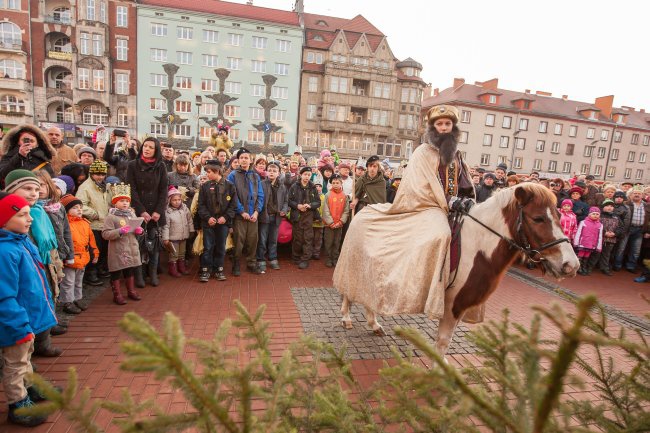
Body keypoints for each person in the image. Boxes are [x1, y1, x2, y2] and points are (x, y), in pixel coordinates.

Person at [334, 104, 477, 322]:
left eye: (448, 124)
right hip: (427, 206)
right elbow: (417, 188)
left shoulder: (457, 156)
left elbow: (465, 184)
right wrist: (449, 200)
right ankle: (422, 288)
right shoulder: (421, 153)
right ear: (432, 127)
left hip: (453, 208)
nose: (444, 128)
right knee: (441, 235)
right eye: (440, 124)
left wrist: (465, 200)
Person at [0, 192, 58, 427]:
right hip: (16, 323)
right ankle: (18, 403)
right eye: (22, 215)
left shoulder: (22, 242)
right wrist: (18, 325)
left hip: (27, 320)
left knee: (26, 359)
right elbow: (5, 296)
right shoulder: (5, 252)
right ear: (4, 220)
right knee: (15, 364)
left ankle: (30, 388)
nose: (30, 218)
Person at [126, 137, 169, 287]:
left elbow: (164, 189)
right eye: (145, 146)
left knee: (154, 244)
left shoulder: (161, 166)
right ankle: (139, 275)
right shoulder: (132, 165)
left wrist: (158, 210)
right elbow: (131, 189)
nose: (147, 149)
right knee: (138, 245)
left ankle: (152, 273)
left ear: (156, 150)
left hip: (155, 211)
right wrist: (141, 211)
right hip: (139, 211)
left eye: (151, 147)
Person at [102, 183, 143, 304]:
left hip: (130, 247)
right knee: (116, 271)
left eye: (127, 201)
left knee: (129, 269)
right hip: (118, 249)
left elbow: (134, 227)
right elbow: (105, 234)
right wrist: (119, 231)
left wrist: (138, 231)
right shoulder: (111, 217)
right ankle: (117, 294)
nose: (125, 203)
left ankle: (131, 291)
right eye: (121, 201)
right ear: (115, 203)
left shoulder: (131, 214)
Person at [197, 160, 237, 282]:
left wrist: (225, 217)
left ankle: (218, 269)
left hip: (223, 223)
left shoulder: (230, 186)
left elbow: (233, 205)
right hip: (208, 222)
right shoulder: (205, 186)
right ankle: (205, 269)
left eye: (209, 172)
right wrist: (208, 217)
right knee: (207, 247)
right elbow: (201, 205)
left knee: (220, 246)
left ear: (217, 171)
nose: (207, 174)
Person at [227, 148, 264, 276]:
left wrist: (256, 212)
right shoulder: (233, 175)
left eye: (246, 157)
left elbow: (260, 195)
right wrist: (242, 211)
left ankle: (251, 263)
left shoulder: (255, 176)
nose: (244, 160)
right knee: (239, 241)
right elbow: (233, 195)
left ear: (251, 160)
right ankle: (236, 263)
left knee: (253, 240)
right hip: (240, 216)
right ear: (238, 160)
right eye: (241, 158)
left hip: (253, 214)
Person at [75, 160, 112, 285]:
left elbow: (109, 201)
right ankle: (91, 273)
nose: (100, 177)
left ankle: (100, 269)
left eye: (102, 174)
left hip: (105, 224)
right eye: (97, 174)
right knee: (94, 250)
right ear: (92, 173)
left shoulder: (106, 186)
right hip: (93, 224)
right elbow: (80, 204)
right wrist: (94, 214)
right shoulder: (85, 187)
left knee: (104, 249)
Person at [59, 194, 97, 313]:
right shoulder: (65, 225)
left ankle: (77, 298)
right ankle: (67, 302)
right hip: (70, 258)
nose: (79, 209)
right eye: (75, 207)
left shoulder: (85, 223)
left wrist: (95, 253)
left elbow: (91, 240)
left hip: (83, 256)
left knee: (78, 280)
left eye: (80, 207)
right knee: (68, 282)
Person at [257, 161, 288, 272]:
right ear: (266, 172)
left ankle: (273, 258)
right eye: (269, 170)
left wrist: (284, 210)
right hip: (264, 216)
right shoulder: (261, 184)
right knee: (262, 239)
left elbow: (285, 201)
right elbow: (258, 199)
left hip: (276, 217)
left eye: (274, 171)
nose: (271, 172)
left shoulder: (282, 187)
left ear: (278, 173)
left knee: (273, 240)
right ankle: (261, 259)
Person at [288, 166, 320, 269]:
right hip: (297, 215)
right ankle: (296, 257)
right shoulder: (294, 186)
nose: (307, 177)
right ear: (300, 175)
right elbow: (289, 200)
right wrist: (297, 205)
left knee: (308, 238)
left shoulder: (313, 187)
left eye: (309, 175)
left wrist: (310, 205)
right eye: (305, 174)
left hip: (309, 215)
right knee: (297, 238)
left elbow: (318, 202)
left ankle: (305, 259)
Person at [614, 187, 650, 272]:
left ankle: (631, 266)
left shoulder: (647, 205)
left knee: (636, 250)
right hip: (627, 229)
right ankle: (617, 265)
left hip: (640, 230)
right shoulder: (626, 204)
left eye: (639, 193)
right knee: (621, 248)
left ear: (642, 195)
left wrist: (648, 231)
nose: (637, 195)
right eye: (635, 193)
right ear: (630, 195)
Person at [162, 186, 194, 277]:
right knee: (174, 254)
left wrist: (191, 230)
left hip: (183, 236)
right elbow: (165, 226)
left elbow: (189, 220)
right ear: (169, 201)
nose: (177, 202)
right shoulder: (168, 212)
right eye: (174, 200)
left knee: (182, 253)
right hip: (173, 237)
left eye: (179, 199)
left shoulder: (184, 208)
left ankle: (182, 268)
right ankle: (173, 269)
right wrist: (166, 238)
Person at [322, 174, 350, 267]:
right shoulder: (328, 195)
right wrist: (331, 222)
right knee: (329, 242)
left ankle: (335, 258)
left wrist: (341, 222)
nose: (335, 185)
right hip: (329, 225)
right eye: (333, 183)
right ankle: (329, 258)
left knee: (337, 242)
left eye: (337, 183)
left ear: (341, 183)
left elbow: (346, 211)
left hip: (339, 224)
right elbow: (325, 210)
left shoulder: (344, 196)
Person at [574, 207, 603, 275]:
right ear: (589, 214)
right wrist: (576, 242)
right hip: (583, 243)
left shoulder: (600, 225)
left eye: (597, 214)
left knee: (587, 256)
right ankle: (579, 268)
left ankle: (584, 267)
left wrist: (598, 247)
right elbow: (578, 232)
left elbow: (600, 236)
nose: (595, 215)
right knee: (580, 255)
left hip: (592, 244)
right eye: (593, 214)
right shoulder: (583, 222)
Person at [595, 199, 621, 276]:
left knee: (606, 254)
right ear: (603, 207)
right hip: (599, 238)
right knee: (595, 254)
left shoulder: (616, 217)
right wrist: (604, 233)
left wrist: (615, 233)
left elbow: (621, 227)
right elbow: (595, 225)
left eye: (611, 206)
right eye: (607, 206)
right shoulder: (599, 215)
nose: (609, 207)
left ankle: (604, 268)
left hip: (611, 239)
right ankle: (590, 266)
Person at [312, 181, 325, 260]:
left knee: (318, 239)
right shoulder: (311, 196)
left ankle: (316, 253)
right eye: (316, 186)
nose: (318, 188)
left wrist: (321, 218)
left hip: (320, 222)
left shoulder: (324, 197)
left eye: (319, 186)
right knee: (310, 238)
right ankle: (309, 252)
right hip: (311, 222)